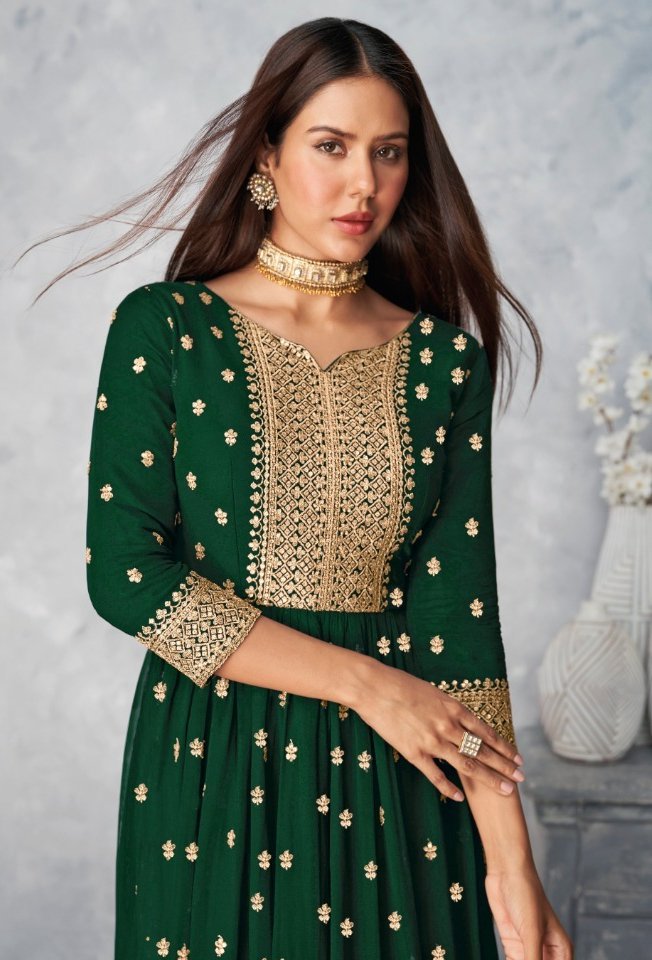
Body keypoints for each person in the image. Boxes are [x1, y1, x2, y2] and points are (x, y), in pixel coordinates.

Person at [29, 16, 572, 960]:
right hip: (214, 765)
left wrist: (510, 868)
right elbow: (125, 575)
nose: (364, 184)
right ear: (266, 156)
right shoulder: (168, 329)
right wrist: (371, 687)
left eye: (389, 152)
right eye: (332, 146)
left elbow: (460, 627)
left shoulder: (443, 363)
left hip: (407, 778)